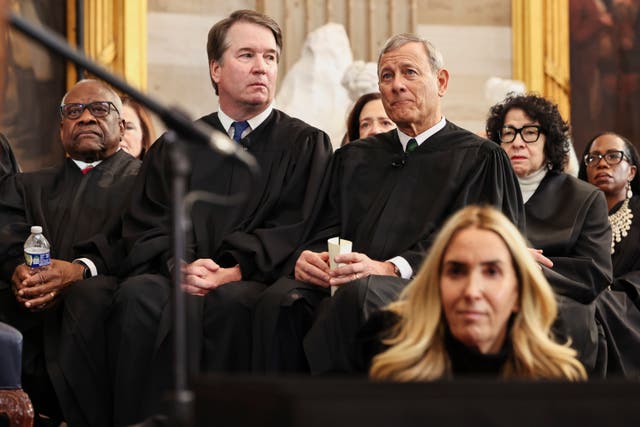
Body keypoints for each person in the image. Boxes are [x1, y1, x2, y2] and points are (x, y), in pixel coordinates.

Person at [109, 9, 332, 425]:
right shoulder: (178, 144)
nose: (261, 67)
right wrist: (180, 264)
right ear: (215, 68)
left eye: (270, 57)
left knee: (235, 303)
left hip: (254, 279)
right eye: (246, 55)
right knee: (139, 296)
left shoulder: (305, 144)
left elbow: (298, 222)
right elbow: (150, 220)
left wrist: (234, 268)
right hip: (178, 274)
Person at [252, 33, 524, 374]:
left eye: (409, 73)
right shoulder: (354, 157)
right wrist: (308, 257)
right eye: (386, 76)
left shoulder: (481, 158)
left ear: (440, 82)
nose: (396, 85)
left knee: (363, 295)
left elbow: (486, 245)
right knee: (278, 302)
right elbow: (325, 224)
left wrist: (392, 268)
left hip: (427, 287)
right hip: (346, 283)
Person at [0, 79, 140, 426]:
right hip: (30, 314)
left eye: (100, 109)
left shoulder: (145, 182)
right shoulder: (26, 185)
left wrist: (80, 271)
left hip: (103, 319)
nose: (86, 118)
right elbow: (7, 239)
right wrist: (18, 270)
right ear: (61, 127)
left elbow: (141, 241)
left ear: (122, 127)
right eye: (74, 112)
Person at [362, 205, 587, 381]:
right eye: (456, 272)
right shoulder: (383, 351)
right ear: (436, 284)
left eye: (491, 272)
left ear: (518, 292)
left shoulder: (557, 376)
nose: (471, 292)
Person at [486, 93, 612, 374]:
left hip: (559, 303)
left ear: (550, 141)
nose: (517, 142)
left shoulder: (585, 197)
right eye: (508, 133)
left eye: (530, 132)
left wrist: (529, 270)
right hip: (488, 297)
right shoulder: (482, 193)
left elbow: (596, 272)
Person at [579, 132, 640, 378]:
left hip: (632, 307)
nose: (602, 163)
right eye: (593, 158)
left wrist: (612, 291)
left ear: (632, 172)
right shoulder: (574, 217)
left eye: (613, 156)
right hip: (584, 307)